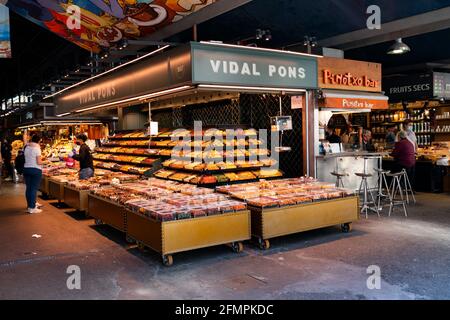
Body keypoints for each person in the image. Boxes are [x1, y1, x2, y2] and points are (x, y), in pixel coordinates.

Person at [24, 134, 43, 214]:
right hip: (35, 170)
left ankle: (30, 205)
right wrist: (46, 162)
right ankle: (32, 208)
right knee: (34, 189)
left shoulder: (26, 147)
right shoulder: (37, 148)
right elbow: (39, 162)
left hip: (26, 169)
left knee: (29, 188)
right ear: (38, 141)